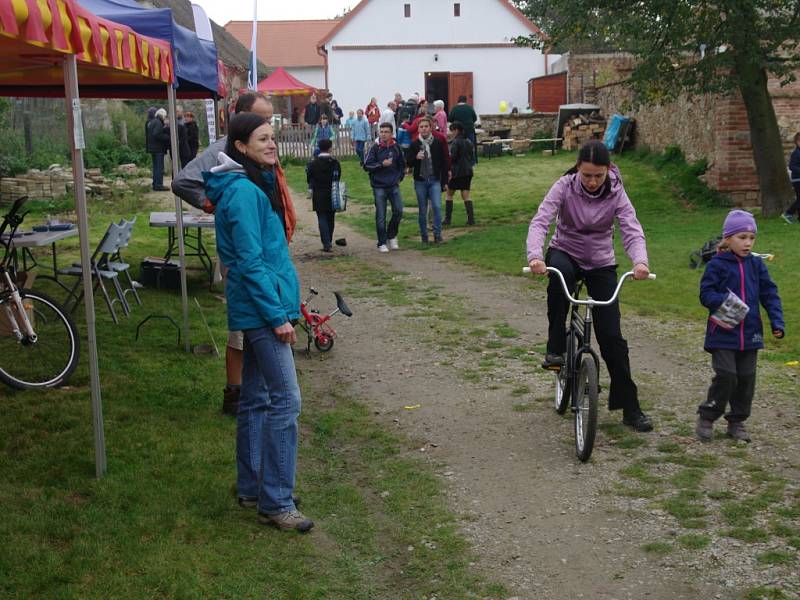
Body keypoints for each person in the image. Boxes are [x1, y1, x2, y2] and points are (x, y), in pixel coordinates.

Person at [203, 112, 312, 533]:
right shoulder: (244, 193)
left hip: (257, 309)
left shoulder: (243, 187)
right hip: (262, 313)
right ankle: (276, 502)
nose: (272, 144)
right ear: (241, 147)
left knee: (254, 398)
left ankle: (252, 487)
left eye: (273, 138)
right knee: (287, 401)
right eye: (263, 139)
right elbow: (249, 261)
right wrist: (276, 316)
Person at [172, 92, 293, 418]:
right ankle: (235, 393)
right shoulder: (225, 157)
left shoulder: (258, 156)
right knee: (247, 330)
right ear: (241, 122)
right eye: (262, 120)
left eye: (271, 122)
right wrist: (211, 202)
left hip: (264, 247)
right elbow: (182, 181)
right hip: (249, 254)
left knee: (256, 332)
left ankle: (251, 393)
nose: (269, 129)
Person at [526, 140, 654, 432]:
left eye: (599, 175)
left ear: (608, 170)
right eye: (587, 175)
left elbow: (631, 229)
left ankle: (630, 408)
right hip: (566, 251)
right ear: (578, 170)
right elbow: (540, 222)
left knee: (612, 338)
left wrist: (640, 262)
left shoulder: (617, 191)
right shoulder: (564, 186)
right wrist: (535, 256)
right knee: (559, 275)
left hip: (600, 260)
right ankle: (556, 348)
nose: (593, 181)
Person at [695, 210, 784, 443]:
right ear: (728, 239)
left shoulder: (756, 265)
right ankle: (708, 414)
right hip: (722, 332)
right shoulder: (716, 265)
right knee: (727, 375)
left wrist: (777, 321)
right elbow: (705, 294)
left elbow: (770, 293)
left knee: (746, 378)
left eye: (751, 238)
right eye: (741, 237)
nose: (747, 243)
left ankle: (737, 421)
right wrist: (724, 302)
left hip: (751, 333)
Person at [363, 122, 406, 252]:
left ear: (391, 133)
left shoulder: (396, 147)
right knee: (381, 215)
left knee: (398, 211)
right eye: (381, 132)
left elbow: (402, 165)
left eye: (386, 132)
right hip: (379, 186)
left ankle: (392, 236)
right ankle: (382, 242)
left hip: (393, 185)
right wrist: (381, 164)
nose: (383, 134)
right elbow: (366, 165)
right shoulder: (375, 148)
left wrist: (399, 178)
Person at [407, 117, 449, 244]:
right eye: (421, 127)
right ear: (418, 129)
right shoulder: (414, 144)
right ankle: (424, 236)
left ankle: (437, 235)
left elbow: (444, 163)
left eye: (426, 126)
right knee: (423, 209)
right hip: (420, 181)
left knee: (436, 206)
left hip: (434, 179)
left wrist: (445, 181)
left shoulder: (437, 143)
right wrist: (415, 158)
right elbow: (408, 162)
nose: (424, 129)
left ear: (431, 128)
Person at [306, 139, 340, 252]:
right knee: (331, 217)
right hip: (332, 191)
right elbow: (338, 176)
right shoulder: (334, 162)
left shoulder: (313, 163)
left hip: (318, 192)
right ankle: (329, 239)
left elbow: (309, 177)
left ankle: (326, 243)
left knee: (322, 217)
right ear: (330, 148)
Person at [444, 121, 475, 226]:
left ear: (456, 130)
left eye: (451, 130)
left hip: (457, 172)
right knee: (466, 194)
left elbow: (453, 157)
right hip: (468, 171)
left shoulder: (456, 142)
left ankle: (448, 219)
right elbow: (471, 156)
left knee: (449, 193)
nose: (450, 132)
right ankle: (471, 219)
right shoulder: (468, 141)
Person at [448, 95, 479, 165]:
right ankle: (473, 162)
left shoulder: (454, 109)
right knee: (471, 146)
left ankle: (459, 160)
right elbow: (475, 118)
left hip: (458, 131)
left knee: (458, 146)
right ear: (466, 101)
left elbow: (450, 119)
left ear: (458, 100)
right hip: (469, 129)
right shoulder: (470, 108)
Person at [145, 108, 170, 191]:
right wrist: (167, 137)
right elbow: (157, 134)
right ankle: (159, 185)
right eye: (165, 116)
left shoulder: (151, 122)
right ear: (162, 115)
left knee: (155, 167)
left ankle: (155, 184)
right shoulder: (158, 122)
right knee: (159, 167)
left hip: (152, 148)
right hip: (158, 148)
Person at [782, 132, 800, 223]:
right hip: (797, 180)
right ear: (797, 142)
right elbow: (792, 166)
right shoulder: (796, 153)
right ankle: (788, 213)